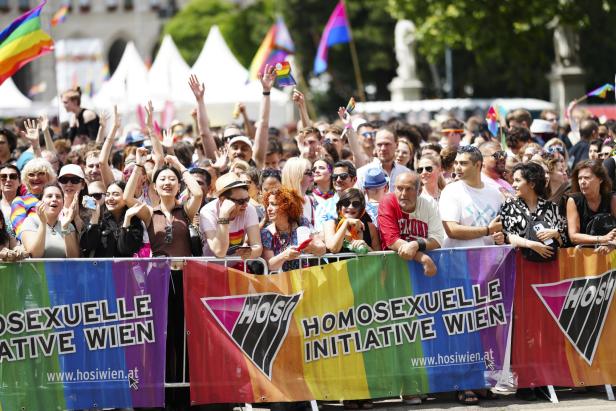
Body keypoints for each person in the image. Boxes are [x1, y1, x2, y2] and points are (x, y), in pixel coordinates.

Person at [378, 172, 443, 278]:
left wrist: (416, 245)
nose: (403, 194)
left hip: (423, 271)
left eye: (409, 189)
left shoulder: (429, 203)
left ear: (419, 191)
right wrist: (422, 258)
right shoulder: (387, 202)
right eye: (399, 188)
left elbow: (437, 239)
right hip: (394, 269)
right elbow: (392, 240)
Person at [440, 146, 505, 249]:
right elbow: (452, 230)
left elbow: (497, 230)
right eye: (456, 163)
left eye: (463, 163)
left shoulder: (495, 194)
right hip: (459, 261)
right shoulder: (450, 191)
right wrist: (487, 230)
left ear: (478, 164)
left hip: (488, 260)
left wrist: (499, 237)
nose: (457, 167)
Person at [500, 162, 567, 262]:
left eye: (518, 181)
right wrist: (531, 244)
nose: (513, 185)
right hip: (520, 267)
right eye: (513, 180)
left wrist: (556, 234)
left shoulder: (552, 207)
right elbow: (508, 236)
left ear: (532, 184)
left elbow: (564, 241)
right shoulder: (509, 204)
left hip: (549, 268)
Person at [261, 187, 326, 271]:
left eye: (274, 204)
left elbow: (322, 249)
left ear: (286, 206)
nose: (269, 209)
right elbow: (270, 265)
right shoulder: (267, 232)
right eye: (268, 204)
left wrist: (312, 248)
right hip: (282, 281)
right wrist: (284, 255)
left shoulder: (301, 222)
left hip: (305, 279)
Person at [199, 172, 262, 259]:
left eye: (247, 199)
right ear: (223, 200)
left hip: (236, 268)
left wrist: (249, 252)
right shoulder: (207, 212)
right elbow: (219, 252)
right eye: (240, 201)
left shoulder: (249, 209)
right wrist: (224, 216)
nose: (245, 205)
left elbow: (257, 246)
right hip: (211, 267)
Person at [81, 181, 145, 257]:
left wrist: (127, 220)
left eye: (116, 195)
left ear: (126, 198)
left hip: (123, 268)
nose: (110, 198)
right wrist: (95, 216)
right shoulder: (98, 218)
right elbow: (87, 245)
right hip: (99, 267)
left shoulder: (134, 221)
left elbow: (126, 249)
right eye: (107, 195)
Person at [566, 160, 616, 254]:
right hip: (583, 258)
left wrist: (612, 243)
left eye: (587, 178)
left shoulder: (612, 199)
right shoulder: (573, 201)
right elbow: (573, 236)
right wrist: (602, 239)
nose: (582, 182)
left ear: (600, 179)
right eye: (580, 178)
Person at [21, 183, 80, 258]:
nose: (54, 199)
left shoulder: (69, 226)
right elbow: (35, 255)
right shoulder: (30, 221)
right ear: (40, 201)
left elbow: (74, 258)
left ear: (62, 203)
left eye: (58, 197)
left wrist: (65, 228)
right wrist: (43, 223)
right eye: (49, 196)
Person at [11, 158, 55, 241]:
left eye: (41, 173)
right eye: (31, 174)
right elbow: (21, 232)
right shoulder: (19, 201)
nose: (36, 178)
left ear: (49, 176)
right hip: (34, 247)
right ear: (26, 179)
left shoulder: (57, 198)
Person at [324, 188, 380, 254]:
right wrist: (346, 223)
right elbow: (333, 248)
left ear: (361, 209)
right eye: (346, 203)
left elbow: (380, 257)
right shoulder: (330, 224)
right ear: (340, 206)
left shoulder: (370, 227)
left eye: (356, 204)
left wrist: (367, 248)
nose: (350, 207)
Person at [356, 127, 410, 193]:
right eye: (379, 144)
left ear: (397, 145)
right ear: (375, 146)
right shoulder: (362, 174)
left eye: (387, 144)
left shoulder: (406, 173)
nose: (383, 148)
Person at [315, 160, 357, 232]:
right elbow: (319, 234)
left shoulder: (363, 204)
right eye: (334, 177)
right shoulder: (323, 207)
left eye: (343, 176)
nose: (338, 180)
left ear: (354, 179)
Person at [282, 157, 316, 227]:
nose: (313, 174)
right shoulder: (283, 202)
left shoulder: (312, 200)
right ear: (296, 176)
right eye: (308, 172)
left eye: (313, 171)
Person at [0, 164, 21, 235]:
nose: (8, 179)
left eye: (13, 176)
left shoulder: (28, 206)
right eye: (3, 177)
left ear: (20, 182)